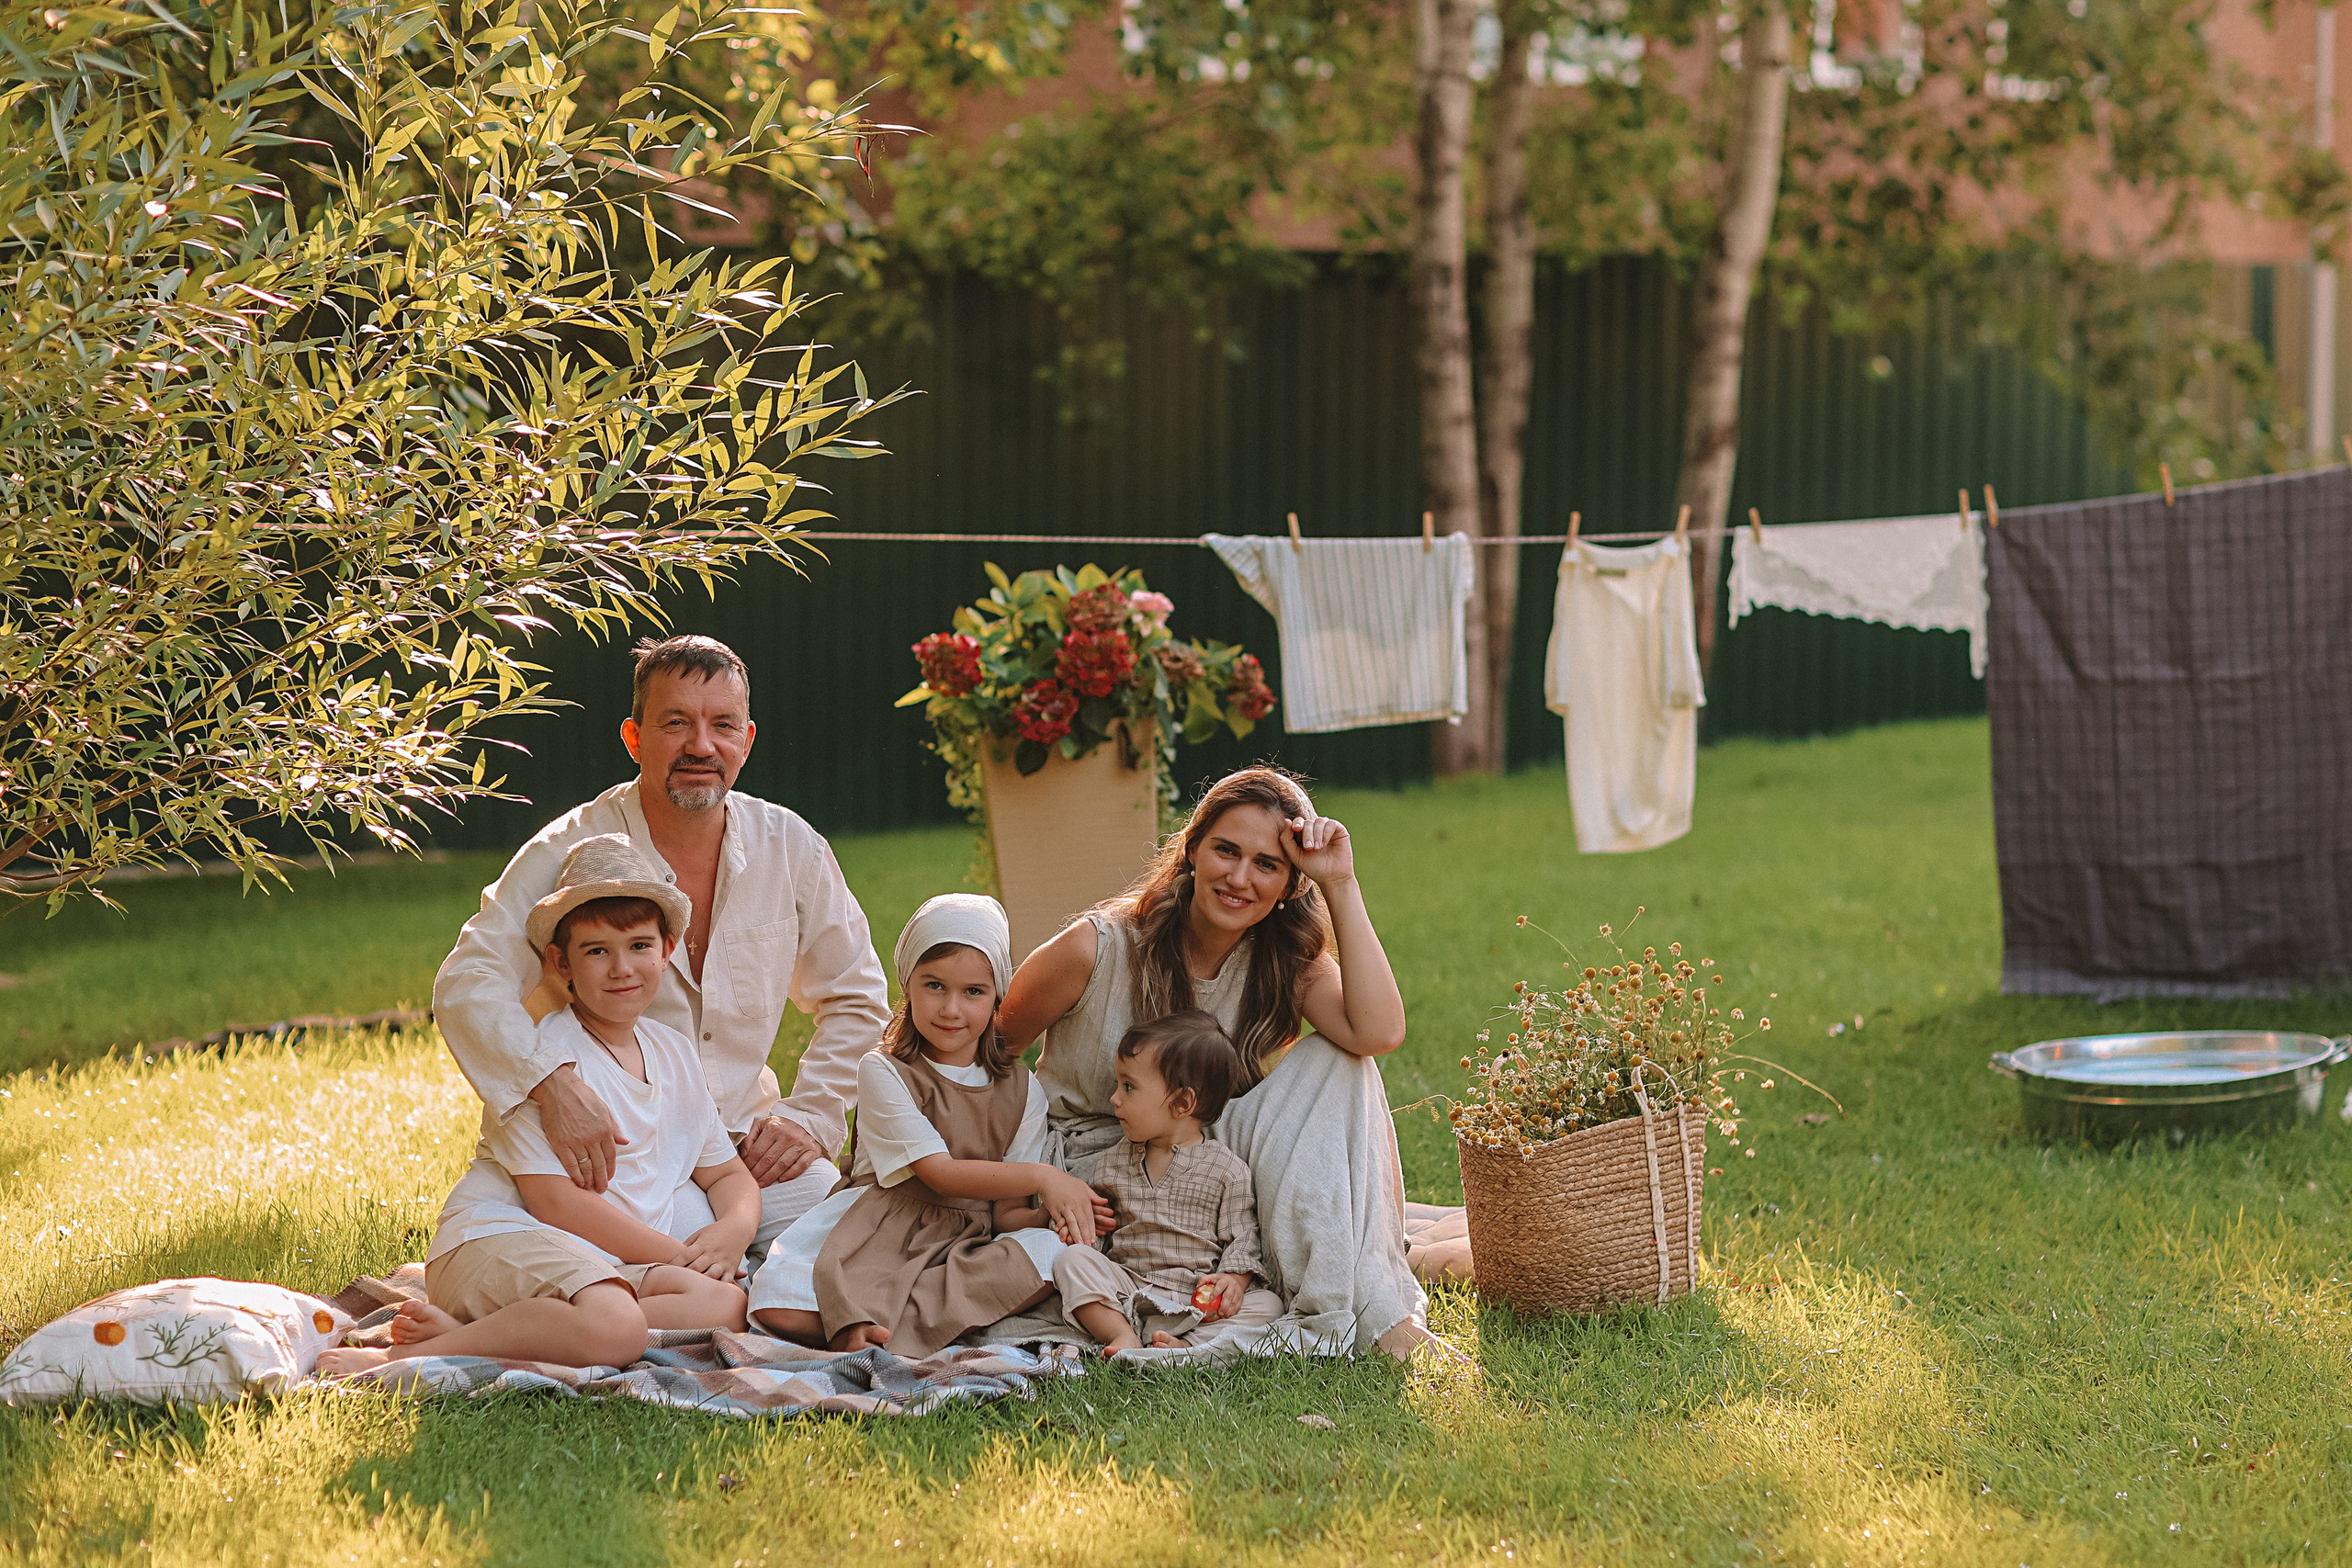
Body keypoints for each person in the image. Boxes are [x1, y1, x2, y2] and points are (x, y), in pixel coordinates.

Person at [434, 635, 892, 1268]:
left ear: (747, 740)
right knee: (629, 1279)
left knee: (857, 1248)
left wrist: (809, 1115)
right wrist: (551, 1083)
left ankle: (725, 1282)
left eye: (722, 725)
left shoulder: (790, 846)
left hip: (740, 1153)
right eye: (675, 722)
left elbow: (858, 996)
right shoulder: (571, 849)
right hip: (608, 1161)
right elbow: (468, 981)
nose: (701, 745)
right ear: (633, 738)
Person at [998, 765, 1440, 1360]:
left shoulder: (1280, 960)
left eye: (1267, 864)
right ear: (1191, 851)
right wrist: (1015, 1182)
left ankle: (1372, 1313)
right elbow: (989, 1054)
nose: (1239, 877)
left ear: (1290, 883)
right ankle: (1357, 1290)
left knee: (1344, 1062)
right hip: (1092, 1178)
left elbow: (1379, 1031)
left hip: (1208, 1163)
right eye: (1225, 851)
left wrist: (1340, 882)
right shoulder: (1094, 947)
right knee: (1360, 1203)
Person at [320, 837, 757, 1375]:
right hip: (497, 1241)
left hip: (600, 1264)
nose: (622, 968)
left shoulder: (671, 1050)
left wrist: (733, 1231)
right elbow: (554, 1202)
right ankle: (404, 1355)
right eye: (597, 951)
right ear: (560, 962)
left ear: (668, 949)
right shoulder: (542, 1058)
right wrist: (675, 1256)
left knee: (726, 1304)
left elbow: (727, 1172)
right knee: (618, 1327)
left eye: (639, 946)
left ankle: (491, 1335)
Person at [747, 895, 1109, 1357]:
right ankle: (913, 1321)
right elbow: (937, 1172)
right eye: (934, 986)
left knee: (1053, 1254)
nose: (951, 1009)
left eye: (973, 992)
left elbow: (1007, 1215)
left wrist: (1053, 1216)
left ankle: (881, 1322)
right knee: (780, 1301)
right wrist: (1046, 1178)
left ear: (997, 995)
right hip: (880, 1231)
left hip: (966, 1245)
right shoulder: (884, 1071)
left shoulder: (1023, 1091)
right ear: (909, 987)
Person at [1054, 1010, 1283, 1356]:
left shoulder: (1227, 1169)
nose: (1115, 1098)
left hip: (1193, 1299)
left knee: (1269, 1306)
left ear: (1181, 1103)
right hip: (1129, 1286)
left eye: (1128, 1087)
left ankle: (1184, 1346)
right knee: (1070, 1262)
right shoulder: (1114, 1160)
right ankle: (1122, 1334)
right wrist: (1083, 1234)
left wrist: (1234, 1281)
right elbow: (1098, 1226)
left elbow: (1243, 1237)